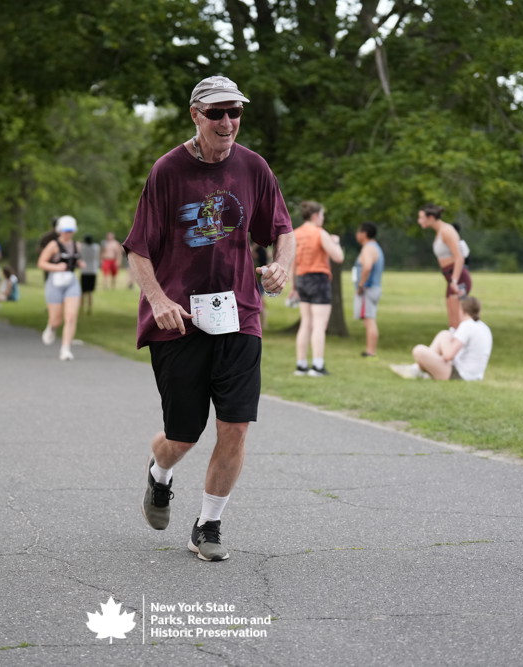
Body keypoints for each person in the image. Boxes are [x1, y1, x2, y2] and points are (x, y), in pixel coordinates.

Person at [126, 75, 295, 562]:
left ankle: (208, 525)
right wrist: (158, 300)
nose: (227, 121)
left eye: (234, 112)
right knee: (182, 435)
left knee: (235, 426)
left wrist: (282, 265)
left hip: (240, 315)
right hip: (179, 320)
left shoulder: (253, 167)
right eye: (216, 112)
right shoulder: (168, 170)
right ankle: (159, 473)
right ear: (195, 115)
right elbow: (138, 248)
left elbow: (282, 230)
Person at [289, 201, 344, 377]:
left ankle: (301, 365)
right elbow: (338, 257)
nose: (323, 218)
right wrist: (336, 242)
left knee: (306, 323)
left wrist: (294, 286)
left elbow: (292, 263)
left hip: (302, 279)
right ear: (315, 216)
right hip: (318, 279)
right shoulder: (320, 233)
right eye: (322, 215)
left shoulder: (295, 234)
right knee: (319, 325)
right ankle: (317, 365)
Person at [391, 296, 492, 381]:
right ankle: (417, 369)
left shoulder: (467, 326)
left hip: (460, 375)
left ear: (463, 310)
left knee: (419, 350)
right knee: (444, 334)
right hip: (474, 375)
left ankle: (418, 369)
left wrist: (440, 353)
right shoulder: (483, 327)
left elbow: (449, 356)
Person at [37, 215, 84, 360]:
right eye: (65, 230)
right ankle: (51, 327)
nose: (67, 233)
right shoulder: (53, 245)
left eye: (70, 231)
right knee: (56, 319)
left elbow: (75, 260)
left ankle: (65, 349)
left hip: (71, 282)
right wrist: (56, 267)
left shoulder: (77, 245)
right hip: (55, 283)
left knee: (71, 316)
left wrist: (79, 264)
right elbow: (41, 263)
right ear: (60, 230)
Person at [418, 203, 471, 329]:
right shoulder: (440, 232)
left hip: (458, 278)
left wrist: (454, 280)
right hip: (450, 279)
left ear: (431, 218)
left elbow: (459, 257)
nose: (419, 221)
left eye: (421, 218)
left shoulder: (447, 231)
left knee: (458, 322)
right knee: (453, 323)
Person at [354, 222, 384, 358]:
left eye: (358, 232)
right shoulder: (375, 247)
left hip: (368, 289)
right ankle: (370, 350)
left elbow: (367, 267)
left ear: (364, 234)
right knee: (369, 319)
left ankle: (370, 351)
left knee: (369, 320)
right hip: (374, 288)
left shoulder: (368, 248)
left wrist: (361, 285)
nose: (356, 235)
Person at [79, 233, 100, 315]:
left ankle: (81, 307)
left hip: (84, 271)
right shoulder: (96, 247)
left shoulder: (83, 247)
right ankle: (89, 308)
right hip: (93, 271)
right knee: (90, 292)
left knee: (83, 291)